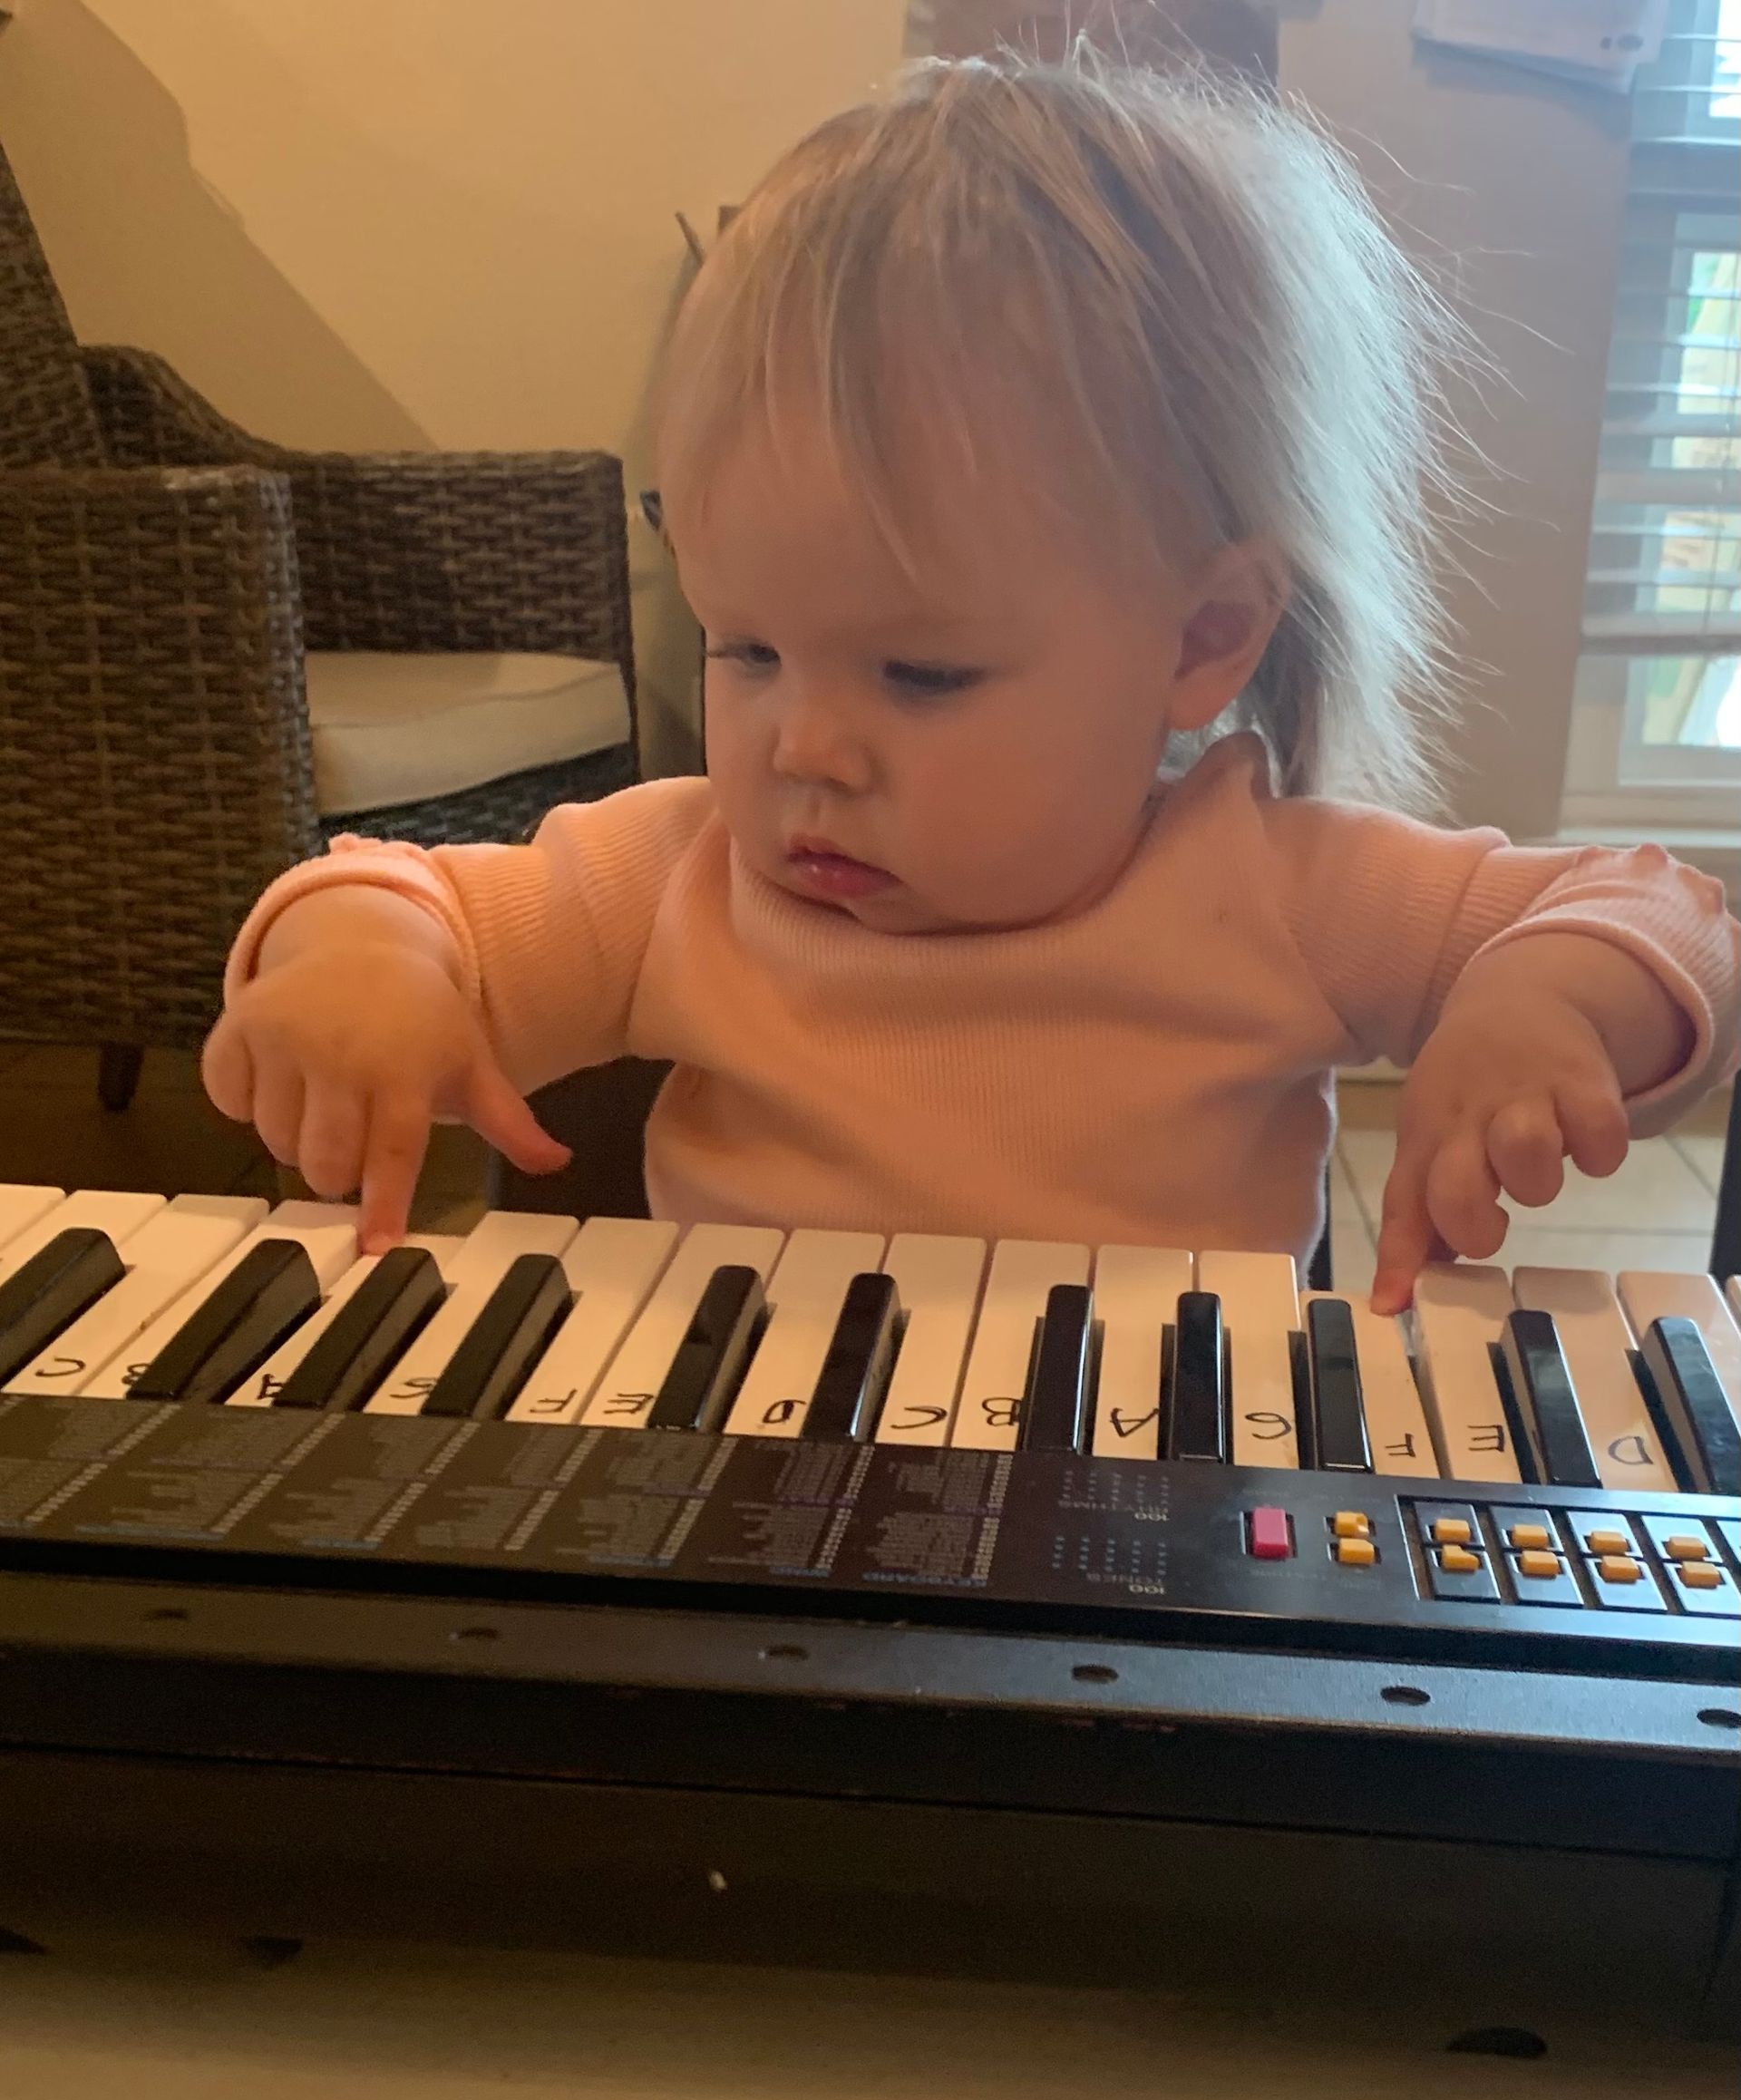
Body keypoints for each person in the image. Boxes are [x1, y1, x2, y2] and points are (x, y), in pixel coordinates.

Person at [204, 53, 1738, 1314]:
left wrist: (1549, 999)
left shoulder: (1271, 888)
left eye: (922, 671)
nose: (804, 746)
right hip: (741, 1488)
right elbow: (407, 898)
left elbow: (1661, 913)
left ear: (1202, 639)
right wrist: (359, 963)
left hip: (1149, 1510)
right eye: (746, 648)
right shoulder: (682, 875)